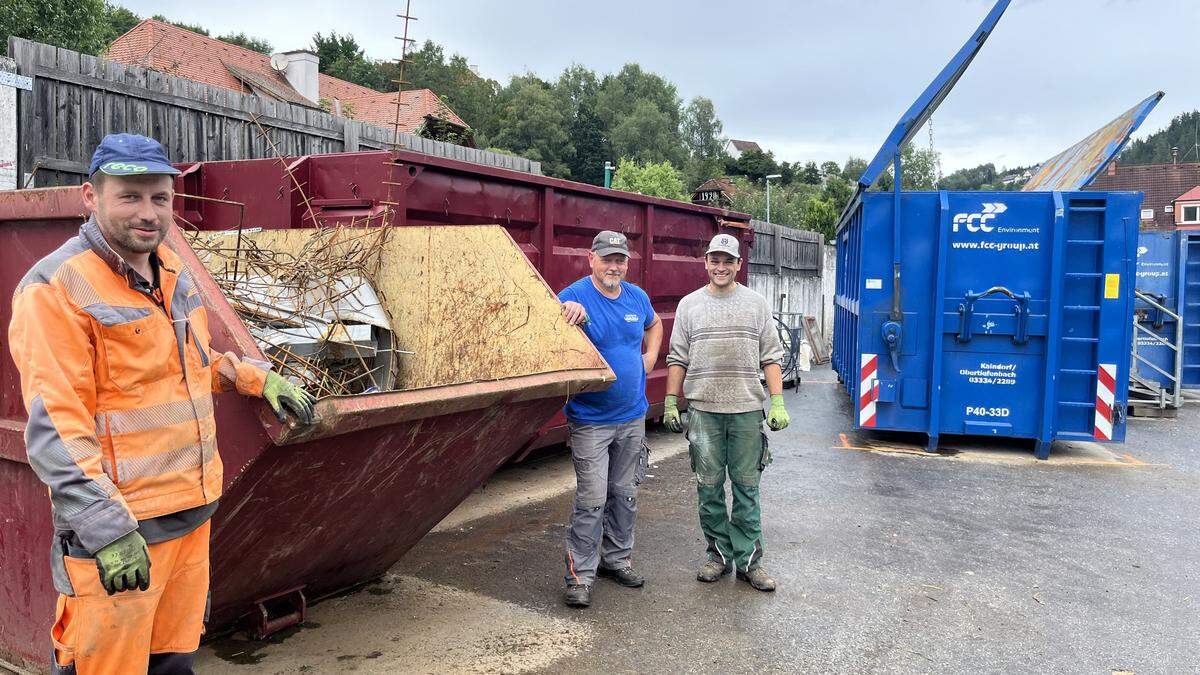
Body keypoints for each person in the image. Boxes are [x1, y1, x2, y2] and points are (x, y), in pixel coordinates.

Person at [8, 134, 315, 674]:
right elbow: (58, 429)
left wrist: (253, 378)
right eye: (130, 196)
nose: (148, 213)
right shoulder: (56, 290)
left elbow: (189, 363)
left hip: (190, 518)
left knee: (172, 662)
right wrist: (106, 528)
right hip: (123, 533)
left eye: (160, 198)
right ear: (90, 196)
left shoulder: (170, 272)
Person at [661, 232, 789, 592]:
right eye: (714, 260)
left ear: (738, 264)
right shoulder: (689, 306)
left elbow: (771, 356)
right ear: (706, 263)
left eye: (727, 261)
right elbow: (677, 357)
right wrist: (671, 401)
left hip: (747, 409)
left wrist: (776, 401)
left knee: (747, 488)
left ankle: (750, 563)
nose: (721, 267)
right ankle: (718, 556)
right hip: (704, 411)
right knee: (710, 488)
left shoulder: (756, 304)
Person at [557, 230, 662, 608]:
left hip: (632, 416)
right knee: (592, 499)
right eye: (607, 259)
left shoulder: (637, 297)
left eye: (620, 260)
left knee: (625, 494)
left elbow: (653, 325)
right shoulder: (572, 297)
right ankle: (579, 577)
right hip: (590, 421)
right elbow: (548, 335)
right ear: (591, 259)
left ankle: (616, 560)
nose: (614, 266)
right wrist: (567, 318)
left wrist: (650, 358)